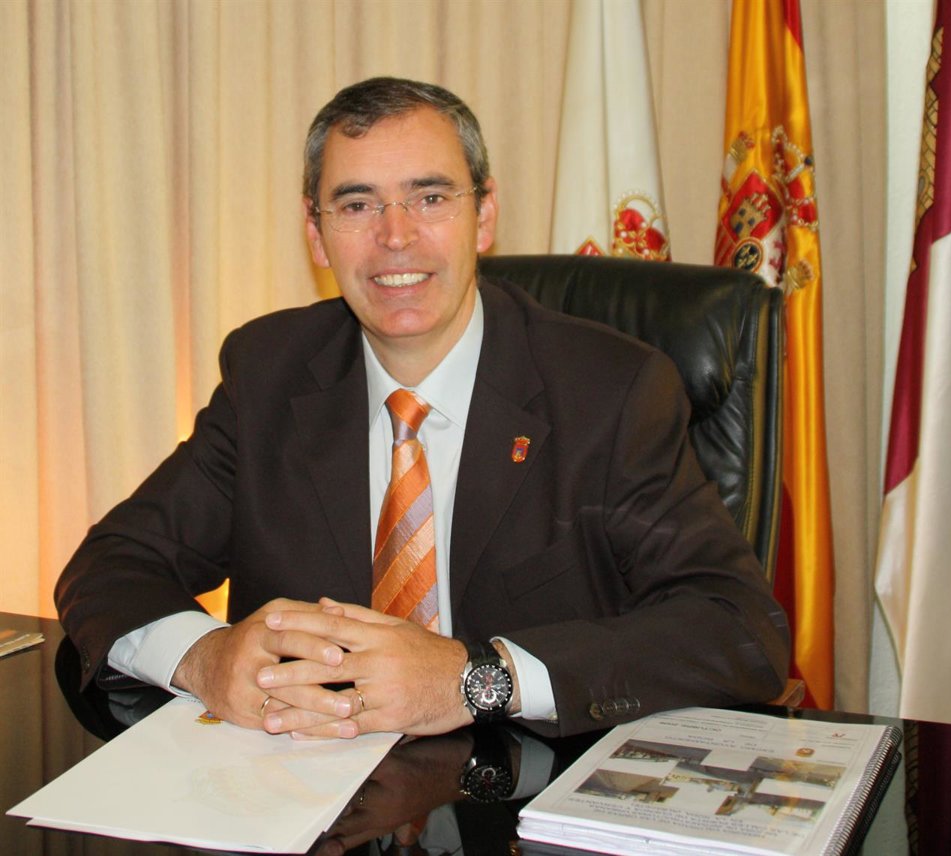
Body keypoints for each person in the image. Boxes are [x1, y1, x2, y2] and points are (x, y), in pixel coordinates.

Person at [55, 77, 789, 740]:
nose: (395, 237)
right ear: (316, 233)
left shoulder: (610, 391)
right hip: (307, 794)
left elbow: (738, 629)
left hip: (522, 797)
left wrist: (478, 679)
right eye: (357, 205)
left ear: (485, 214)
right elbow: (111, 564)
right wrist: (205, 657)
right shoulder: (268, 373)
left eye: (430, 198)